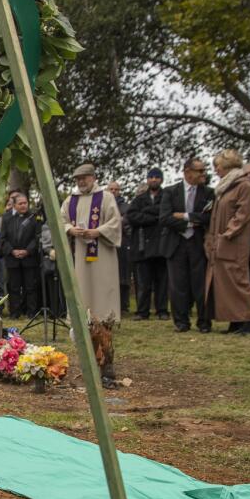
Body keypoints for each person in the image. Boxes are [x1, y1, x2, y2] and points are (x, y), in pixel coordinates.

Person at [61, 163, 123, 387]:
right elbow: (61, 220)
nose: (81, 182)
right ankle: (88, 359)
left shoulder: (105, 198)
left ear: (93, 178)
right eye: (78, 179)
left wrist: (98, 231)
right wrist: (70, 230)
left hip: (103, 256)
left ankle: (106, 361)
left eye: (84, 178)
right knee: (83, 300)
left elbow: (115, 223)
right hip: (81, 258)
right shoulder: (71, 200)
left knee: (103, 302)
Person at [204, 150, 250, 335]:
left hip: (235, 241)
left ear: (227, 166)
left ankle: (249, 321)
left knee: (239, 279)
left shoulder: (244, 185)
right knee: (226, 282)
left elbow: (243, 214)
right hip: (222, 241)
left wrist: (227, 233)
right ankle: (236, 321)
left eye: (217, 166)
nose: (216, 170)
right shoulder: (224, 188)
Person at [160, 157, 214, 333]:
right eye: (200, 171)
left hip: (198, 243)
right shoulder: (170, 192)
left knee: (200, 284)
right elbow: (165, 218)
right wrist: (192, 221)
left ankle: (204, 322)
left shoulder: (208, 193)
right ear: (187, 172)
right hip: (176, 244)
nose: (203, 174)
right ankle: (181, 322)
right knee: (178, 285)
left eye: (204, 170)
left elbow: (208, 217)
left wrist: (184, 216)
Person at [127, 168, 169, 320]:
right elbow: (131, 216)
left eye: (157, 177)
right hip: (142, 246)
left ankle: (162, 310)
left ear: (161, 180)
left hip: (162, 245)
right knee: (144, 283)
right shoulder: (139, 199)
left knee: (162, 282)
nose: (154, 180)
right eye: (151, 177)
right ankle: (142, 311)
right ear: (147, 179)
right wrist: (153, 218)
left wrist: (147, 213)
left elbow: (167, 214)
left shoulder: (167, 196)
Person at [1, 192, 41, 317]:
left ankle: (31, 312)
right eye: (20, 203)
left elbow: (37, 237)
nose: (24, 205)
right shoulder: (7, 218)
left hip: (29, 258)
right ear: (14, 205)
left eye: (25, 203)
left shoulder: (34, 217)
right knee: (14, 287)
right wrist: (12, 250)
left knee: (30, 287)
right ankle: (15, 312)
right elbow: (3, 238)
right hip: (12, 258)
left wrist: (27, 251)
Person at [107, 181, 133, 314]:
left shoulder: (126, 207)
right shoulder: (103, 206)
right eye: (110, 189)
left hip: (123, 244)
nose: (113, 191)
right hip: (107, 244)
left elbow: (127, 223)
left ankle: (124, 306)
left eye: (115, 189)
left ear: (119, 191)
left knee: (123, 275)